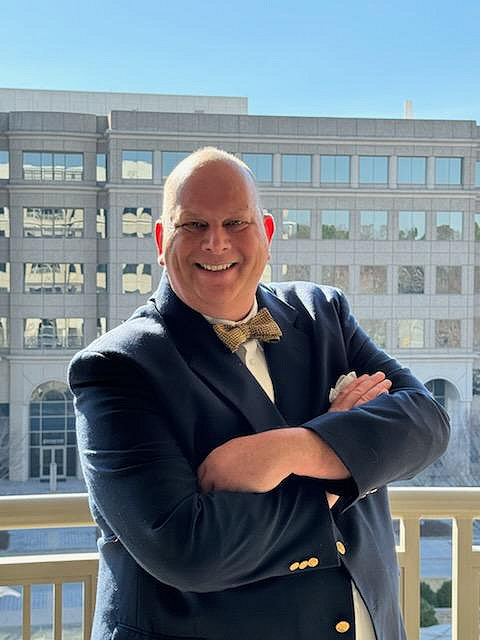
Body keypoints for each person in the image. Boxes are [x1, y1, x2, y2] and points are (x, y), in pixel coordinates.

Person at [68, 147, 450, 640]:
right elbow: (187, 548)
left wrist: (287, 450)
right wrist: (339, 466)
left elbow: (425, 422)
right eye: (193, 226)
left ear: (266, 233)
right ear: (161, 240)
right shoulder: (118, 366)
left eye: (235, 222)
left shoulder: (322, 313)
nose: (216, 243)